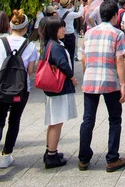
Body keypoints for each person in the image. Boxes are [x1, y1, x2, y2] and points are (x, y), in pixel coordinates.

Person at [78, 0, 125, 173]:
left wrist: (86, 75)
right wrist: (123, 84)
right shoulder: (117, 34)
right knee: (114, 119)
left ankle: (83, 158)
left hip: (90, 79)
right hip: (110, 81)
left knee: (88, 119)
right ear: (115, 16)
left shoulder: (89, 33)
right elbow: (119, 60)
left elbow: (83, 58)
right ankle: (112, 158)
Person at [0, 10, 38, 169]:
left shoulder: (1, 43)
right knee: (14, 120)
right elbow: (30, 72)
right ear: (26, 27)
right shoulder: (30, 46)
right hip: (21, 89)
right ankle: (6, 154)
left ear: (11, 25)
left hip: (1, 87)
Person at [41, 17, 78, 169]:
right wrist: (72, 77)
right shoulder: (55, 46)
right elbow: (63, 64)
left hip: (53, 89)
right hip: (59, 88)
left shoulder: (50, 44)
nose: (64, 30)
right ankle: (51, 155)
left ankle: (50, 150)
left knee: (53, 121)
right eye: (60, 28)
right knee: (57, 122)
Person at [56, 0, 84, 72]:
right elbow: (80, 13)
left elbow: (67, 11)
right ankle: (70, 71)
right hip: (70, 36)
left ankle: (62, 70)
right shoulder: (71, 14)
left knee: (62, 54)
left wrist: (75, 6)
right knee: (70, 55)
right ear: (68, 4)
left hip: (60, 35)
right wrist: (81, 5)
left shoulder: (58, 12)